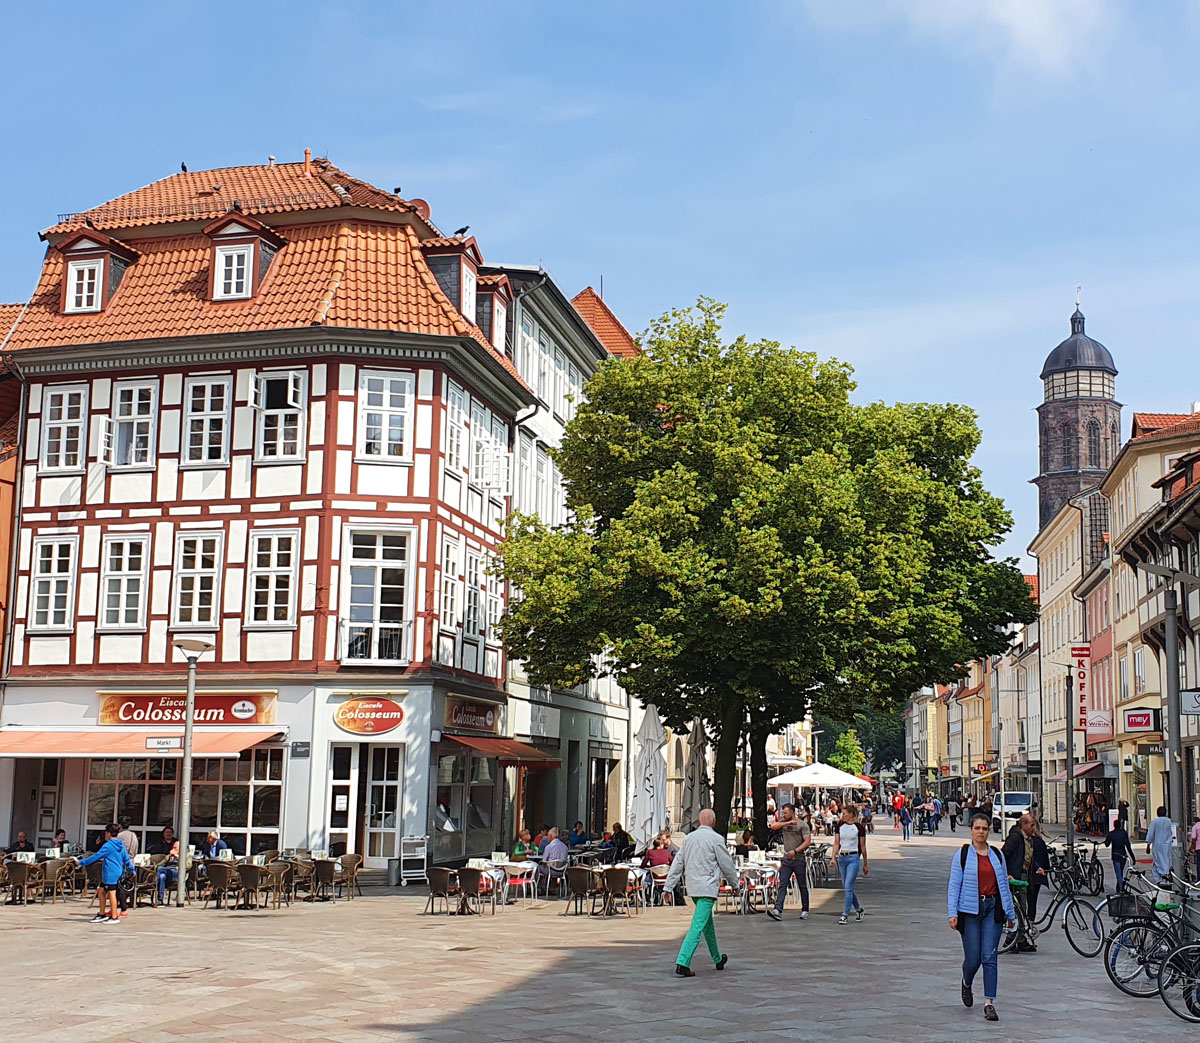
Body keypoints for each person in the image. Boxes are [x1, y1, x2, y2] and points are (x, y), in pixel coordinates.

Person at [948, 813, 1016, 1023]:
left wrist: (1010, 913)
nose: (981, 832)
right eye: (977, 828)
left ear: (989, 831)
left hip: (992, 909)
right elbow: (954, 885)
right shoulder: (963, 854)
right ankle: (966, 982)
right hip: (969, 911)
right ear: (971, 830)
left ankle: (989, 1003)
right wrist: (952, 912)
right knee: (973, 958)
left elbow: (1004, 885)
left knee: (989, 956)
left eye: (984, 829)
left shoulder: (996, 854)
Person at [663, 808, 739, 976]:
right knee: (697, 926)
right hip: (708, 887)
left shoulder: (689, 839)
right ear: (713, 822)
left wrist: (668, 886)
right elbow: (726, 864)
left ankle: (718, 958)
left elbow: (677, 864)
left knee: (707, 925)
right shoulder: (716, 839)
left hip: (693, 887)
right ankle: (683, 961)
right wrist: (735, 884)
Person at [1001, 814, 1050, 952]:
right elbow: (1004, 854)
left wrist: (1037, 868)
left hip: (1025, 876)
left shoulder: (1028, 839)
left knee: (1022, 908)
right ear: (1023, 825)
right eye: (1031, 825)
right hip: (1016, 877)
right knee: (1019, 909)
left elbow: (1028, 857)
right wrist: (1007, 874)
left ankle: (1020, 940)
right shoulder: (1016, 838)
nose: (1034, 828)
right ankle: (1011, 940)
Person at [73, 823, 135, 925]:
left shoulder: (108, 845)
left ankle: (114, 916)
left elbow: (96, 856)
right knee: (101, 891)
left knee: (111, 894)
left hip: (110, 872)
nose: (105, 835)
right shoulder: (120, 845)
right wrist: (132, 870)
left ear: (109, 833)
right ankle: (102, 913)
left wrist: (81, 862)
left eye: (106, 833)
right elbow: (126, 859)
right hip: (115, 871)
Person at [766, 803, 811, 922]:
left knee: (802, 885)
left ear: (792, 812)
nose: (784, 815)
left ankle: (805, 909)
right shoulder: (783, 822)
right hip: (786, 859)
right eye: (783, 813)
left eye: (786, 813)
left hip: (799, 859)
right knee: (782, 884)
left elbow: (807, 842)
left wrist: (796, 851)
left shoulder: (802, 825)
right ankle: (778, 909)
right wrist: (787, 823)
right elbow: (773, 826)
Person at [831, 805, 868, 925]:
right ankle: (859, 909)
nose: (843, 815)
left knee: (847, 887)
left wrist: (865, 864)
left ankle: (845, 915)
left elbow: (862, 846)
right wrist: (833, 857)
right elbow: (836, 843)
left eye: (844, 813)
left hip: (853, 857)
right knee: (847, 888)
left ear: (851, 814)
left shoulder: (859, 828)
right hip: (842, 857)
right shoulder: (839, 826)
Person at [1105, 817, 1137, 890]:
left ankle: (1120, 886)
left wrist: (1107, 839)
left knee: (1118, 872)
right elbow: (1128, 846)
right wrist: (1133, 857)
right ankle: (1119, 885)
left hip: (1115, 855)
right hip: (1123, 855)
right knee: (1121, 871)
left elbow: (1107, 844)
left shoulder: (1111, 834)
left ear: (1114, 825)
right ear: (1120, 825)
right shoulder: (1124, 833)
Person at [1145, 806, 1175, 883]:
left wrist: (1148, 845)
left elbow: (1150, 834)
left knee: (1157, 862)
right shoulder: (1170, 821)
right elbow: (1173, 833)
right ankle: (1166, 876)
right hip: (1168, 845)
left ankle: (1159, 880)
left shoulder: (1154, 822)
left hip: (1158, 845)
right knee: (1166, 861)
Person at [537, 828, 568, 893]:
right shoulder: (565, 846)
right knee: (554, 866)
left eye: (548, 836)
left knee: (537, 867)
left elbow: (544, 861)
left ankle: (539, 888)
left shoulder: (549, 846)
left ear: (551, 836)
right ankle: (552, 888)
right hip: (562, 871)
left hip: (551, 871)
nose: (547, 838)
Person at [156, 832, 181, 904]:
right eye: (173, 847)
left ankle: (153, 884)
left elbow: (188, 866)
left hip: (177, 873)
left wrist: (177, 856)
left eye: (175, 848)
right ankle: (160, 899)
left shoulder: (184, 855)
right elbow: (159, 865)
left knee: (160, 869)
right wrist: (167, 858)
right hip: (167, 872)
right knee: (162, 876)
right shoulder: (170, 856)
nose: (173, 849)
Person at [1190, 814, 1200, 881]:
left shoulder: (1195, 827)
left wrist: (1191, 848)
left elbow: (1193, 837)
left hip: (1198, 847)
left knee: (1199, 863)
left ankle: (1199, 878)